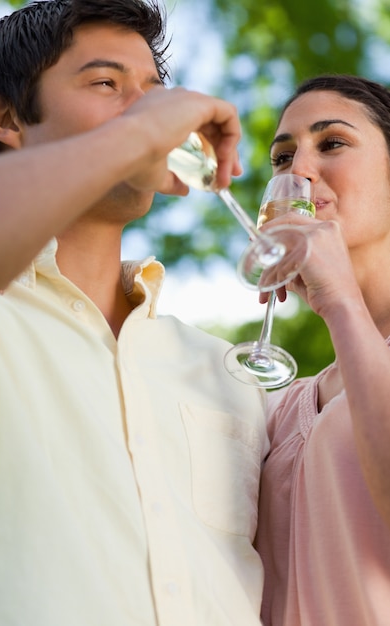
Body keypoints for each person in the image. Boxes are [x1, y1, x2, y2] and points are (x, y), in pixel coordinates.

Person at [0, 1, 268, 625]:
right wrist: (133, 134)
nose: (148, 111)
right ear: (5, 116)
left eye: (155, 92)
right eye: (107, 84)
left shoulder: (227, 370)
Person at [254, 73, 390, 626]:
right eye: (282, 158)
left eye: (331, 143)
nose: (299, 172)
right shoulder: (285, 406)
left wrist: (339, 301)